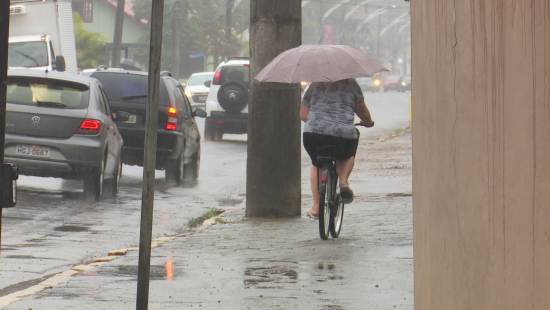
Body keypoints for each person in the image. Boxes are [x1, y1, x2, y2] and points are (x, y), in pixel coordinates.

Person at [300, 78, 375, 218]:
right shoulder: (352, 84)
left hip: (314, 135)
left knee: (317, 164)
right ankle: (343, 181)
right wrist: (368, 122)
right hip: (343, 136)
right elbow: (363, 112)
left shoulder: (314, 85)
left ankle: (316, 207)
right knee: (347, 155)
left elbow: (303, 115)